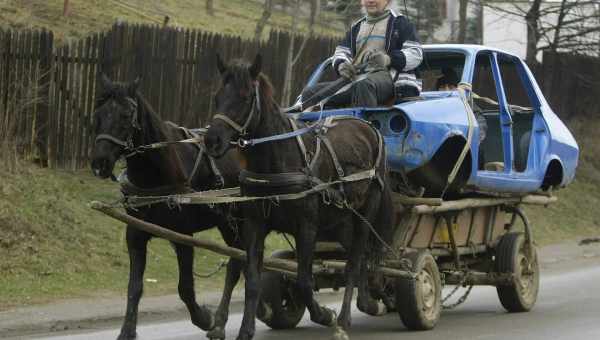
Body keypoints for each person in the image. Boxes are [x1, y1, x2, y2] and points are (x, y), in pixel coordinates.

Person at [300, 0, 423, 109]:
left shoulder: (401, 23)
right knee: (309, 94)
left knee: (364, 85)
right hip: (357, 80)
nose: (370, 1)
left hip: (390, 80)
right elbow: (341, 52)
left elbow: (415, 54)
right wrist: (342, 65)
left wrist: (388, 59)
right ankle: (315, 132)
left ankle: (367, 129)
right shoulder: (356, 27)